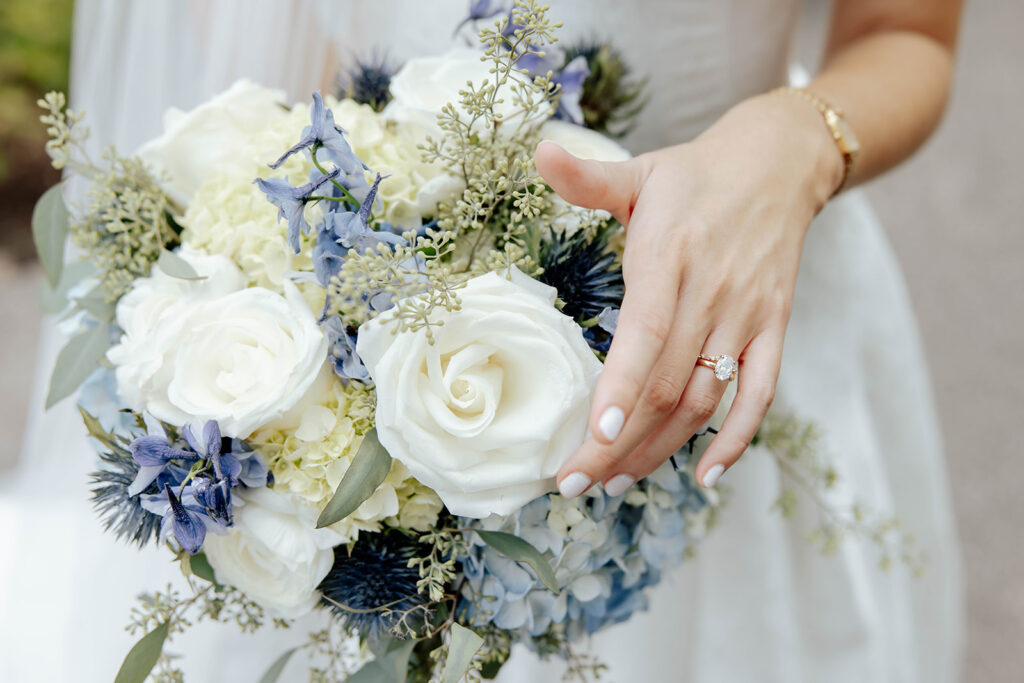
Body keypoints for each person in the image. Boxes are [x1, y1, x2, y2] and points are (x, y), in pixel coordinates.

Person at [2, 1, 963, 681]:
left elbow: (905, 32)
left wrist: (796, 146)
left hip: (743, 283)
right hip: (380, 249)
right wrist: (310, 296)